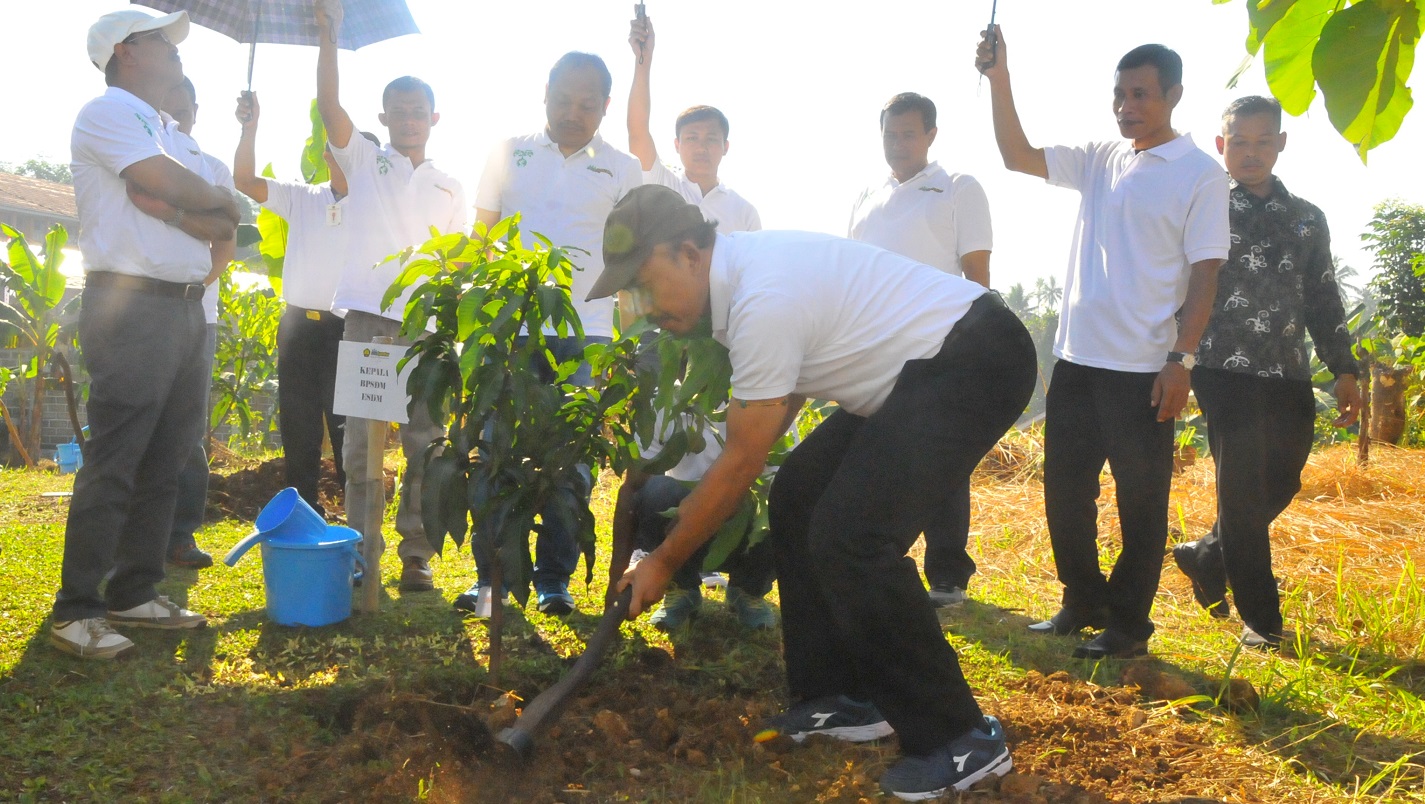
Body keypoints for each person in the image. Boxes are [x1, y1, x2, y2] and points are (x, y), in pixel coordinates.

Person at [599, 184, 1035, 799]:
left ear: (691, 254)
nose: (642, 306)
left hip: (972, 357)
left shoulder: (761, 298)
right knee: (800, 497)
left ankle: (960, 738)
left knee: (853, 539)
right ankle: (843, 697)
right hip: (915, 370)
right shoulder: (740, 280)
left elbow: (745, 455)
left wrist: (666, 559)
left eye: (646, 283)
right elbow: (779, 402)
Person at [977, 29, 1229, 659]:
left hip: (1144, 367)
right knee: (1065, 491)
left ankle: (1128, 626)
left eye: (1140, 94)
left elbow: (1206, 273)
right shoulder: (1100, 157)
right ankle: (1081, 599)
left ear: (1173, 95)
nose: (1126, 106)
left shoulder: (1200, 174)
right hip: (1077, 360)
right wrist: (999, 78)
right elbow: (1017, 155)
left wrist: (1182, 360)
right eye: (1119, 94)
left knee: (1141, 502)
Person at [51, 8, 238, 659]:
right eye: (164, 41)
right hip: (130, 308)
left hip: (187, 307)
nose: (176, 52)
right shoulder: (106, 112)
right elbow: (163, 183)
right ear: (127, 52)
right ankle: (77, 608)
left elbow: (226, 223)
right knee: (118, 456)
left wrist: (196, 208)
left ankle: (134, 591)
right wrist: (202, 201)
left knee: (166, 457)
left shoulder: (168, 131)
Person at [1173, 96, 1362, 649]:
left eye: (1262, 141)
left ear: (1281, 144)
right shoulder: (1202, 210)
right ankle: (1262, 621)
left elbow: (1324, 298)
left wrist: (1343, 369)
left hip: (1287, 369)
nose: (1250, 152)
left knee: (1283, 478)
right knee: (1240, 490)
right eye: (1239, 142)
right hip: (1219, 366)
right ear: (1220, 146)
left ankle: (1207, 553)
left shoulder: (1307, 219)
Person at [464, 50, 642, 616]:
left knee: (572, 458)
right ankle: (490, 577)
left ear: (606, 107)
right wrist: (475, 318)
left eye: (588, 105)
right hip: (512, 331)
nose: (574, 112)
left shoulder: (623, 168)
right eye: (564, 100)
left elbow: (631, 264)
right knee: (496, 450)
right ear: (545, 93)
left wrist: (628, 345)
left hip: (586, 336)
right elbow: (481, 238)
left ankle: (553, 581)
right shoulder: (507, 153)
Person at [315, 0, 468, 593]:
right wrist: (330, 35)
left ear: (435, 118)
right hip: (368, 325)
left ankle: (416, 555)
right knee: (362, 449)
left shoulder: (449, 185)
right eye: (398, 111)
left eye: (418, 112)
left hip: (426, 331)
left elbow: (456, 260)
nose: (408, 119)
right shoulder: (365, 161)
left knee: (425, 445)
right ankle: (362, 551)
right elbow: (330, 107)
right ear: (383, 115)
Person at [848, 91, 993, 608]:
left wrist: (971, 345)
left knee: (942, 459)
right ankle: (878, 556)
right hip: (872, 346)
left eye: (909, 133)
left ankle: (949, 574)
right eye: (890, 134)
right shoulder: (867, 196)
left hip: (937, 343)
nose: (899, 143)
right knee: (880, 454)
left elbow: (978, 275)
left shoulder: (957, 188)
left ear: (931, 134)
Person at [232, 92, 373, 518]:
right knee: (298, 428)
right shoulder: (302, 196)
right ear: (326, 153)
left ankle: (358, 523)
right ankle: (305, 515)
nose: (342, 155)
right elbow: (244, 181)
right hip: (297, 327)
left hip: (348, 330)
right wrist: (249, 127)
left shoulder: (377, 208)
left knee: (349, 431)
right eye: (336, 148)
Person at [159, 75, 236, 571]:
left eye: (184, 109)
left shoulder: (212, 170)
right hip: (141, 309)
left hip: (196, 315)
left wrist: (193, 291)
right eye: (168, 108)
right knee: (133, 424)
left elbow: (225, 239)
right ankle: (128, 535)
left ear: (196, 111)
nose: (177, 116)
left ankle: (181, 535)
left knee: (187, 429)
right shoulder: (142, 159)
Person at [610, 416, 778, 631]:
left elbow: (779, 474)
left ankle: (749, 590)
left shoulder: (769, 401)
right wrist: (615, 578)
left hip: (745, 527)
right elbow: (633, 487)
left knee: (781, 499)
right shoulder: (665, 403)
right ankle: (681, 588)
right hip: (683, 526)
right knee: (656, 491)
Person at [626, 15, 761, 234]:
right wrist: (643, 60)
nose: (701, 147)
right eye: (692, 137)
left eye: (711, 138)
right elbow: (637, 129)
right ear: (677, 144)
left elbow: (753, 267)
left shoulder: (744, 213)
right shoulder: (663, 184)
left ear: (725, 147)